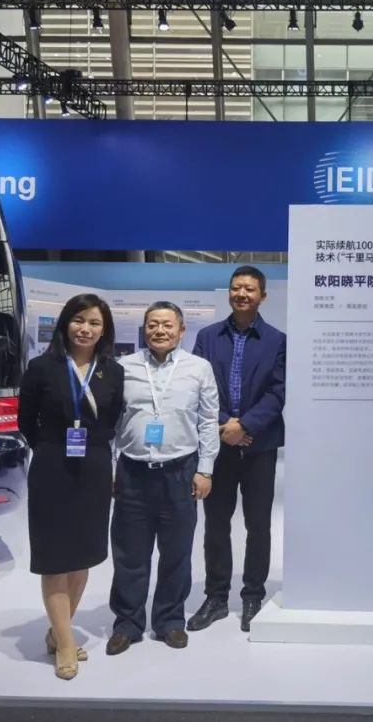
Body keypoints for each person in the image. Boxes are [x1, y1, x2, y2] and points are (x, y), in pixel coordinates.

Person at [17, 293, 124, 680]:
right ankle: (65, 643)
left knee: (82, 555)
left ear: (104, 330)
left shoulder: (112, 371)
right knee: (55, 557)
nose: (86, 329)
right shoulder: (41, 367)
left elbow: (111, 420)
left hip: (94, 467)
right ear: (65, 323)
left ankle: (56, 631)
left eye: (95, 323)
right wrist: (50, 449)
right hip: (52, 467)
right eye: (79, 320)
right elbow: (25, 421)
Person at [106, 302, 220, 656]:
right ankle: (127, 623)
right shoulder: (123, 367)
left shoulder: (198, 368)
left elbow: (208, 421)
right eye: (153, 324)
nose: (160, 330)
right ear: (144, 329)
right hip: (132, 471)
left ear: (181, 330)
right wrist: (111, 467)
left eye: (168, 325)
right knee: (129, 553)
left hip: (180, 471)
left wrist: (205, 469)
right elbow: (112, 421)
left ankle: (170, 620)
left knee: (177, 552)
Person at [188, 266, 286, 634]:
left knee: (258, 524)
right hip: (217, 445)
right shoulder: (208, 337)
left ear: (263, 296)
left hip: (259, 446)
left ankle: (252, 596)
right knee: (215, 523)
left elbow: (278, 392)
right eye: (236, 287)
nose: (241, 294)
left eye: (250, 288)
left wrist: (244, 426)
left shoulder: (278, 340)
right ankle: (216, 596)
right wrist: (225, 426)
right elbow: (197, 387)